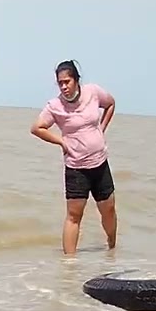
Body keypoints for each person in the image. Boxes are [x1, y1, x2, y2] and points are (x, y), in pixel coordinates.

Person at [30, 60, 117, 255]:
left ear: (77, 80)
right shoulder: (55, 106)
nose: (63, 87)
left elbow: (110, 103)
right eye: (60, 83)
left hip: (100, 163)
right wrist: (61, 142)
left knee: (109, 210)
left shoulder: (93, 92)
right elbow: (37, 128)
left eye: (67, 82)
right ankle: (69, 264)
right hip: (76, 168)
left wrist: (101, 129)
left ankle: (112, 249)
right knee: (74, 216)